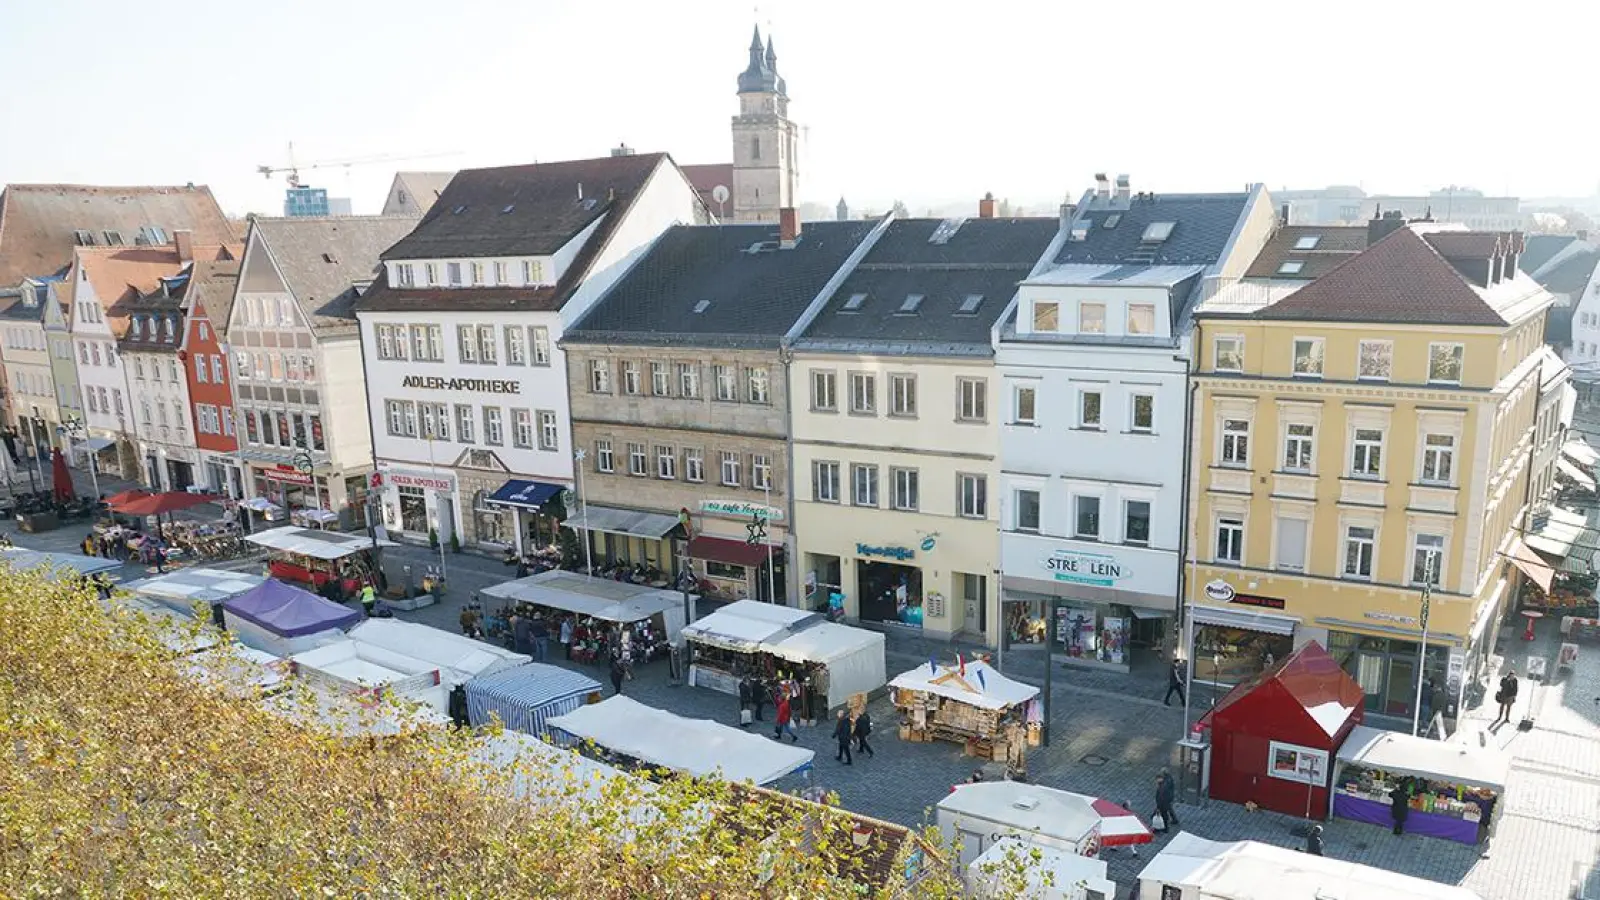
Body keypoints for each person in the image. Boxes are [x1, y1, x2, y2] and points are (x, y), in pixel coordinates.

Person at [1154, 769, 1179, 834]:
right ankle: (1173, 821)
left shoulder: (1164, 784)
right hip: (1167, 800)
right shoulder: (1168, 779)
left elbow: (1161, 796)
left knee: (1163, 815)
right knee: (1169, 810)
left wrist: (1158, 805)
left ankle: (1162, 828)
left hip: (1164, 802)